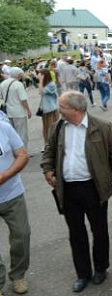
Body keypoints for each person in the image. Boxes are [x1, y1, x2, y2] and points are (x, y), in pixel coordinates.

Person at [41, 91, 112, 292]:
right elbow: (49, 150)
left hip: (94, 188)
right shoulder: (58, 127)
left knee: (99, 231)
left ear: (76, 109)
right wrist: (47, 168)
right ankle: (83, 274)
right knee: (76, 233)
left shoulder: (102, 127)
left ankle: (101, 268)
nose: (59, 110)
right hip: (68, 189)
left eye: (62, 107)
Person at [0, 120, 30, 295]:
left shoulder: (4, 127)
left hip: (12, 194)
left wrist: (6, 175)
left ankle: (18, 275)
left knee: (22, 234)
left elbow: (22, 154)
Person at [0, 68, 32, 147]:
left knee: (13, 134)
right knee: (22, 134)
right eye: (21, 74)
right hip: (19, 112)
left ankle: (16, 151)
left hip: (8, 113)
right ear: (18, 74)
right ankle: (23, 151)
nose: (22, 75)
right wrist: (28, 111)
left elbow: (1, 98)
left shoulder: (2, 84)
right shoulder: (18, 84)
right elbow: (23, 100)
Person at [38, 69, 59, 145]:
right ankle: (48, 144)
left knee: (51, 128)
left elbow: (40, 91)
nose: (38, 75)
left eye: (40, 74)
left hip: (51, 110)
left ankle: (53, 144)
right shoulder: (46, 84)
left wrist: (40, 80)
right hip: (45, 110)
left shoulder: (51, 84)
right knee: (46, 128)